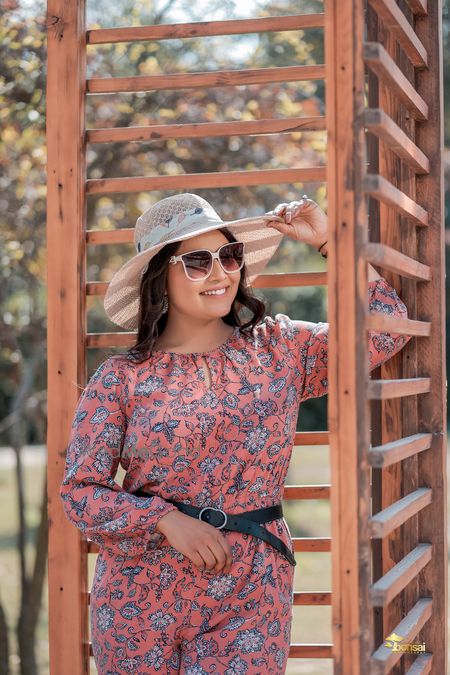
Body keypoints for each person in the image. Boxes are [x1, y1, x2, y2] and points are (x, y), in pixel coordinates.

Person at [60, 193, 412, 675]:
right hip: (136, 601)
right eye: (197, 262)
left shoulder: (280, 350)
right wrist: (165, 520)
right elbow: (80, 493)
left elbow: (387, 327)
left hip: (250, 591)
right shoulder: (120, 378)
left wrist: (331, 240)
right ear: (160, 278)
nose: (220, 274)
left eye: (228, 256)